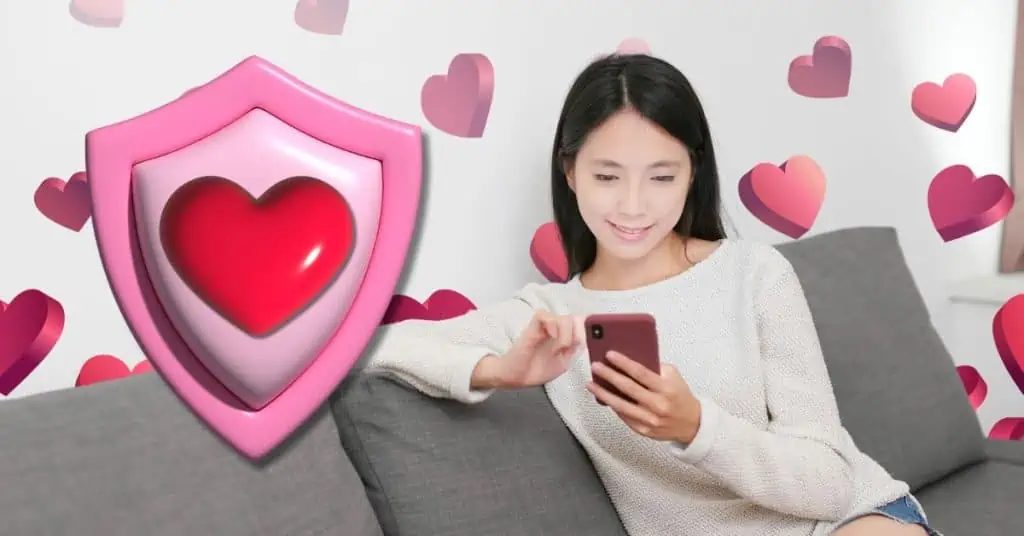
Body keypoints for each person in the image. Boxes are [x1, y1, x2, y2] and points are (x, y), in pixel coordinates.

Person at [365, 54, 940, 536]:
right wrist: (495, 369)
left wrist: (696, 428)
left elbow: (829, 483)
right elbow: (372, 344)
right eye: (607, 176)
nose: (634, 206)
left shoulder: (756, 274)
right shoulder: (552, 317)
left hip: (844, 520)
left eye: (661, 177)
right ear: (570, 173)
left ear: (693, 172)